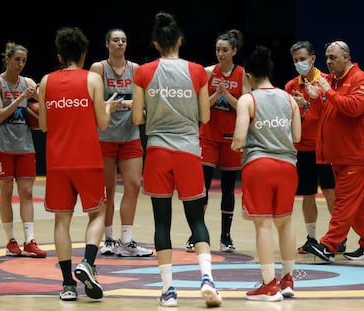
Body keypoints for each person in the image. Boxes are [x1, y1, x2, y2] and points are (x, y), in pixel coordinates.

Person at [132, 11, 222, 307]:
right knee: (196, 219)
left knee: (162, 223)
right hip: (187, 150)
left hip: (158, 151)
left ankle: (169, 290)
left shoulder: (143, 72)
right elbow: (206, 116)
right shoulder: (197, 71)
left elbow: (136, 117)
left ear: (156, 44)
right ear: (180, 41)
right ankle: (207, 278)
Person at [38, 26, 121, 301]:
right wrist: (108, 109)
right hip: (87, 159)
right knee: (97, 213)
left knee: (62, 221)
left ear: (60, 56)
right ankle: (87, 262)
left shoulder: (46, 81)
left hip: (58, 161)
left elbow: (43, 125)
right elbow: (103, 123)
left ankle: (67, 286)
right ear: (84, 54)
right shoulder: (93, 80)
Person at [231, 44, 301, 301]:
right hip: (287, 167)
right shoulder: (289, 98)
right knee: (285, 223)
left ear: (248, 76)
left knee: (263, 225)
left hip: (259, 165)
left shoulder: (247, 100)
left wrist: (237, 144)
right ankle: (288, 279)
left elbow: (239, 139)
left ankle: (269, 284)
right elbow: (297, 136)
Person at [303, 40, 364, 263]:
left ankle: (329, 246)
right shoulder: (331, 81)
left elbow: (354, 109)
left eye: (333, 58)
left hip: (356, 155)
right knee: (355, 204)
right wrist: (315, 97)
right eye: (327, 57)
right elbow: (324, 112)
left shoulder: (361, 80)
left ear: (346, 58)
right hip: (339, 154)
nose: (328, 62)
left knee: (344, 202)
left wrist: (329, 92)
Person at [185, 29, 251, 253]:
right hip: (208, 138)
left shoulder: (242, 74)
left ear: (234, 51)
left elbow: (247, 107)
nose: (220, 54)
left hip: (232, 139)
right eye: (217, 50)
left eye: (225, 50)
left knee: (228, 189)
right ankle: (197, 234)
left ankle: (226, 236)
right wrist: (214, 97)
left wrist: (228, 95)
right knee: (201, 188)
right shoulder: (206, 73)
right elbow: (198, 106)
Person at [90, 29, 153, 257]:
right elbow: (92, 101)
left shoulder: (135, 69)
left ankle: (126, 241)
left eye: (123, 40)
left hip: (129, 135)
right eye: (115, 40)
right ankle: (108, 239)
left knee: (134, 185)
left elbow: (142, 101)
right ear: (107, 44)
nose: (119, 43)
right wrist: (109, 105)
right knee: (107, 190)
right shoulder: (99, 68)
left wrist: (129, 106)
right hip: (105, 136)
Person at [284, 41, 346, 254]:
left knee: (330, 191)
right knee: (307, 194)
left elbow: (332, 109)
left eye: (302, 59)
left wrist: (310, 103)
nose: (299, 63)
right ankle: (311, 237)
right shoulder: (291, 86)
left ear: (313, 59)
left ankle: (339, 237)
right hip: (303, 149)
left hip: (326, 147)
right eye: (295, 61)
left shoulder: (327, 81)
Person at [0, 42, 47, 258]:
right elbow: (0, 115)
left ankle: (30, 240)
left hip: (24, 146)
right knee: (6, 192)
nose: (21, 64)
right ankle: (10, 241)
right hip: (2, 145)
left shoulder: (28, 82)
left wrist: (37, 96)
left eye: (24, 60)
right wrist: (22, 98)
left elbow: (46, 105)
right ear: (7, 59)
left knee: (27, 192)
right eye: (17, 60)